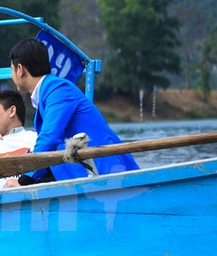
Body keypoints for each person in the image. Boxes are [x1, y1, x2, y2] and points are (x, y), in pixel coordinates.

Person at [8, 38, 139, 185]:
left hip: (108, 170)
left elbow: (49, 138)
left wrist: (23, 181)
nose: (12, 76)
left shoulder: (58, 89)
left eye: (11, 70)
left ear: (20, 69)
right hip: (88, 172)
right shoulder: (47, 93)